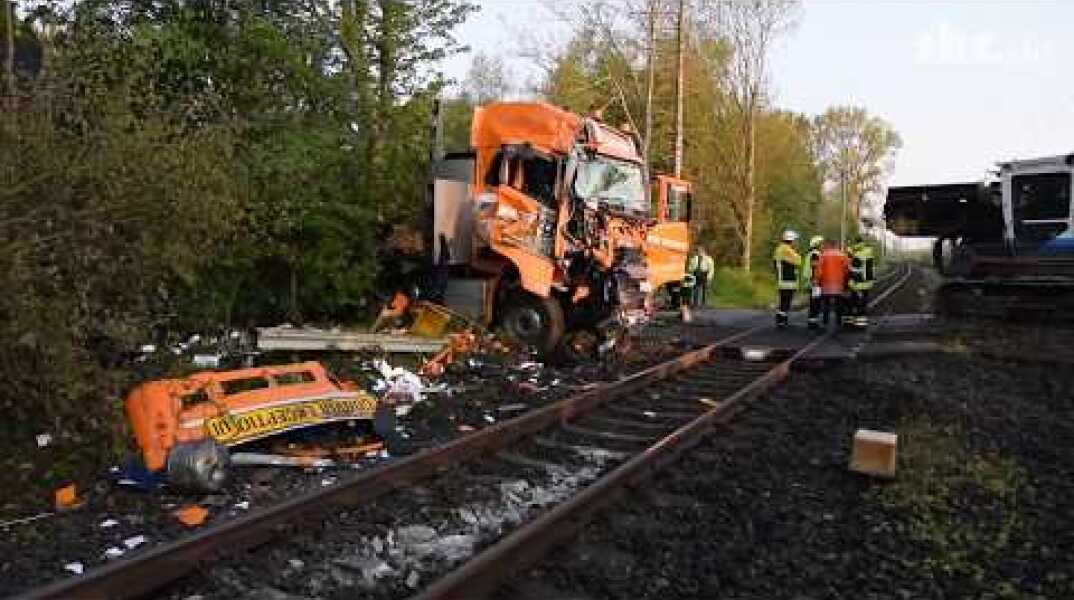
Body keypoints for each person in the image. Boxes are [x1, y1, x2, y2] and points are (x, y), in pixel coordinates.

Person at [816, 239, 850, 328]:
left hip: (826, 283)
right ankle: (838, 321)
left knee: (826, 303)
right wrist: (846, 280)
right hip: (838, 283)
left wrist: (818, 280)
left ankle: (825, 321)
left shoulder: (823, 255)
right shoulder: (842, 255)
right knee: (839, 303)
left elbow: (819, 270)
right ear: (836, 245)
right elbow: (846, 269)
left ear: (829, 245)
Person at [772, 230, 801, 328]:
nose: (796, 242)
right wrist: (796, 253)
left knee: (784, 301)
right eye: (795, 240)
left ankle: (781, 320)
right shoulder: (786, 250)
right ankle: (782, 321)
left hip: (783, 279)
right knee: (786, 300)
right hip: (787, 280)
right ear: (791, 240)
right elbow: (798, 261)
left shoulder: (780, 248)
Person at [847, 237, 876, 327]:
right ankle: (860, 322)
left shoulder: (858, 254)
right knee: (862, 303)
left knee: (856, 303)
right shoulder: (868, 251)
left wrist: (851, 282)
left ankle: (858, 323)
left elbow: (855, 270)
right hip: (867, 283)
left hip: (858, 283)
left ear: (856, 243)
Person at [801, 235, 824, 330]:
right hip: (815, 282)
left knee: (814, 302)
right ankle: (813, 323)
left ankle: (812, 321)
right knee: (815, 302)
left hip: (812, 281)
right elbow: (815, 267)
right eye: (821, 244)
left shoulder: (812, 253)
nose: (823, 246)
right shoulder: (815, 254)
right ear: (817, 244)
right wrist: (815, 280)